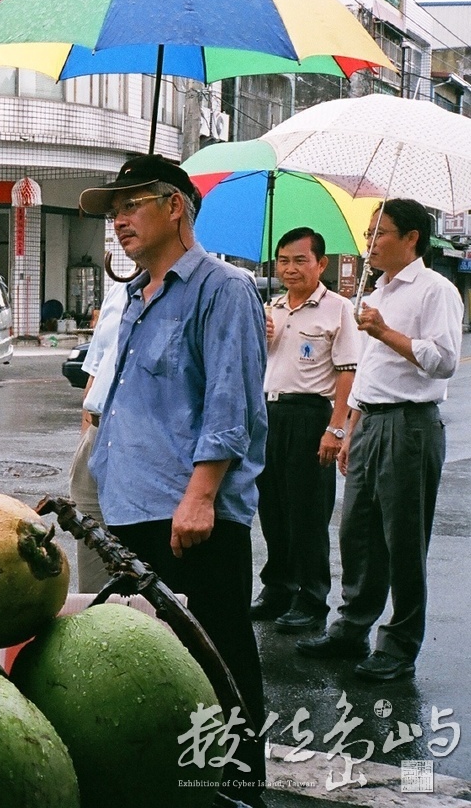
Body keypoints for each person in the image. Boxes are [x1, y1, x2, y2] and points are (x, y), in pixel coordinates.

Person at [82, 155, 268, 802]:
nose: (117, 220)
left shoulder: (223, 289)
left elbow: (230, 403)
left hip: (190, 516)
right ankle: (179, 786)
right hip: (132, 508)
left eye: (130, 204)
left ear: (174, 207)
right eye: (113, 211)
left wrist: (201, 495)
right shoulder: (137, 294)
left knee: (219, 659)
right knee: (161, 667)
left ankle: (241, 787)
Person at [296, 199, 463, 681]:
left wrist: (386, 332)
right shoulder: (379, 291)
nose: (371, 242)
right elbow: (367, 371)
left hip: (410, 426)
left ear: (412, 238)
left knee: (404, 540)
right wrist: (350, 427)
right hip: (369, 423)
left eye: (381, 232)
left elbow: (445, 360)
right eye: (369, 232)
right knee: (358, 533)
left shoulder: (437, 291)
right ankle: (351, 627)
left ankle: (399, 645)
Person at [251, 228, 360, 634]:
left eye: (300, 260)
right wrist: (259, 337)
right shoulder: (271, 308)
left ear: (321, 264)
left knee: (308, 513)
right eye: (284, 260)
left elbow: (348, 372)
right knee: (272, 509)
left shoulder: (338, 309)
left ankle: (312, 598)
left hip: (310, 415)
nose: (290, 269)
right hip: (269, 414)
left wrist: (336, 428)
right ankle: (277, 588)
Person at [67, 279, 127, 593]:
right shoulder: (119, 291)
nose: (119, 226)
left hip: (141, 439)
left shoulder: (207, 288)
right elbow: (95, 370)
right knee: (93, 560)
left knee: (139, 571)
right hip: (97, 433)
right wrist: (85, 437)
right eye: (113, 224)